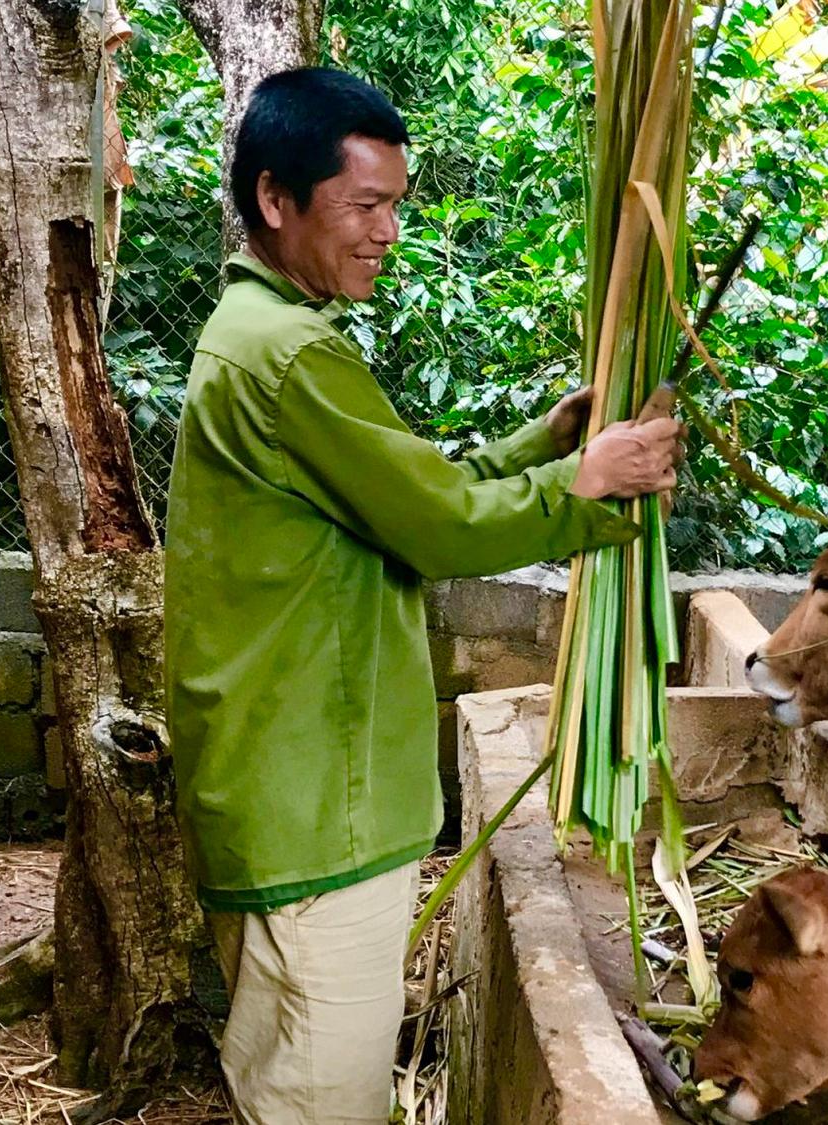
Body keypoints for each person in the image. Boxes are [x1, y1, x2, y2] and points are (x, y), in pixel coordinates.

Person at [161, 66, 684, 1124]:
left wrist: (542, 447)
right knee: (320, 1104)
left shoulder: (259, 340)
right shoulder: (290, 355)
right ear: (275, 199)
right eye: (365, 204)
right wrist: (581, 486)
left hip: (291, 797)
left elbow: (403, 496)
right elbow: (437, 526)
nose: (388, 231)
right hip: (313, 811)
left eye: (396, 203)